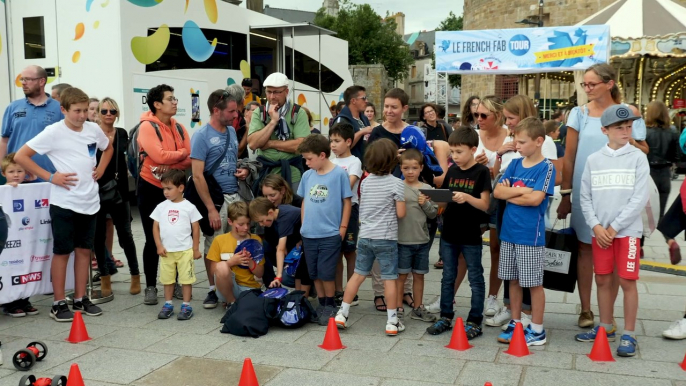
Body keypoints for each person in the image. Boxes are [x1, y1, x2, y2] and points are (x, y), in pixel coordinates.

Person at [557, 63, 648, 328]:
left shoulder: (629, 112)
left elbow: (644, 148)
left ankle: (607, 314)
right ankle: (586, 309)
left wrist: (624, 136)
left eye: (592, 84)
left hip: (619, 195)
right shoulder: (579, 113)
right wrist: (566, 195)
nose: (586, 89)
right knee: (585, 249)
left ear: (609, 84)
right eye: (584, 84)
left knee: (616, 252)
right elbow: (570, 157)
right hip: (588, 195)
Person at [15, 87, 113, 322]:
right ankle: (58, 303)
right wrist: (50, 177)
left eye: (84, 111)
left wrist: (100, 169)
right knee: (61, 252)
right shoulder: (53, 132)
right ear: (63, 110)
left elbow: (107, 148)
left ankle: (80, 298)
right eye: (76, 111)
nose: (82, 116)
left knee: (83, 252)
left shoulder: (93, 129)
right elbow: (21, 156)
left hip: (90, 201)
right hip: (64, 202)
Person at [573, 105, 647, 358]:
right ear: (605, 130)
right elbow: (585, 197)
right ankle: (605, 326)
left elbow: (640, 197)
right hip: (601, 233)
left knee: (627, 280)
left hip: (627, 232)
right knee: (602, 279)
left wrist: (614, 227)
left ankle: (629, 333)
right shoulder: (594, 160)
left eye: (629, 126)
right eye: (619, 127)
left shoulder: (638, 157)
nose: (626, 130)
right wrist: (595, 225)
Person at [0, 65, 63, 317]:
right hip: (17, 183)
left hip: (48, 182)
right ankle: (13, 297)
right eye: (21, 79)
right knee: (15, 242)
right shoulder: (13, 108)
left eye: (27, 79)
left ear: (42, 81)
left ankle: (34, 291)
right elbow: (4, 140)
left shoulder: (58, 108)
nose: (23, 83)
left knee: (41, 236)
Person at [493, 117, 555, 346]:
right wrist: (523, 193)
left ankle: (537, 329)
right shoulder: (515, 164)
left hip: (530, 235)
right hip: (508, 232)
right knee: (513, 280)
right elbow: (498, 192)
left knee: (533, 283)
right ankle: (516, 322)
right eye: (515, 141)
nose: (516, 146)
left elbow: (536, 199)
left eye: (521, 141)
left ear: (539, 141)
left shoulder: (546, 167)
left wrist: (514, 195)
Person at [335, 138, 406, 335]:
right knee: (389, 278)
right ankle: (392, 321)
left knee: (358, 275)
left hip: (365, 236)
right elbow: (400, 213)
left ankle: (342, 313)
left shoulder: (365, 183)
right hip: (386, 238)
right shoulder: (397, 184)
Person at [426, 128, 489, 338]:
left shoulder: (481, 172)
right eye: (452, 152)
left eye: (459, 152)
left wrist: (467, 197)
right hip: (449, 232)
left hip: (471, 234)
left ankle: (475, 320)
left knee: (476, 278)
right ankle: (445, 316)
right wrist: (431, 198)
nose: (454, 156)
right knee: (447, 277)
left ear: (473, 149)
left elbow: (484, 204)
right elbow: (445, 199)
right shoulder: (452, 171)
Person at [190, 88, 248, 309]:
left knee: (236, 242)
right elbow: (197, 175)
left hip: (236, 196)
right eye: (232, 111)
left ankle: (231, 287)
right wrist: (210, 209)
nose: (236, 116)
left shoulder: (232, 132)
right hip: (215, 200)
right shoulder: (201, 136)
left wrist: (243, 171)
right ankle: (213, 290)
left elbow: (233, 160)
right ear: (216, 110)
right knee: (213, 245)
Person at [137, 84, 192, 305]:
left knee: (176, 236)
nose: (175, 101)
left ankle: (175, 283)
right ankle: (151, 286)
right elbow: (158, 156)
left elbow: (190, 157)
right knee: (153, 238)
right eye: (170, 98)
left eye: (175, 97)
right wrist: (179, 156)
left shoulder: (178, 126)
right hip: (151, 187)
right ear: (157, 104)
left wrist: (173, 158)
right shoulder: (147, 126)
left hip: (176, 188)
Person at [297, 134, 352, 325]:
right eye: (305, 159)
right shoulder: (307, 175)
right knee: (313, 272)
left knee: (326, 272)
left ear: (322, 155)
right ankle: (321, 303)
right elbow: (304, 201)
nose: (306, 163)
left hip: (330, 233)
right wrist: (304, 225)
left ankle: (330, 303)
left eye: (309, 159)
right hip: (309, 233)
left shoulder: (339, 174)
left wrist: (342, 228)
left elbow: (347, 202)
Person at [93, 98, 140, 296]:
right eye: (104, 111)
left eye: (112, 111)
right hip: (97, 190)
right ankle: (105, 278)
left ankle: (135, 275)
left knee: (126, 236)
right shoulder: (92, 134)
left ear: (117, 113)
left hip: (120, 191)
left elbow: (130, 158)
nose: (108, 114)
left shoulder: (121, 133)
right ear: (98, 114)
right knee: (98, 236)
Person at [474, 95, 509, 318]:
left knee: (496, 249)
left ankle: (493, 297)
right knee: (466, 247)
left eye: (484, 115)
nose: (479, 119)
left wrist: (493, 168)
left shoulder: (510, 135)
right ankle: (452, 293)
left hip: (499, 198)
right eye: (476, 114)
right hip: (476, 197)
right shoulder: (475, 135)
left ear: (497, 116)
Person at [151, 170, 202, 320]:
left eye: (169, 188)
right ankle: (168, 304)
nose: (165, 192)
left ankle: (186, 305)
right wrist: (159, 245)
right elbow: (155, 227)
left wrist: (196, 248)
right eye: (164, 189)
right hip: (167, 251)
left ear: (180, 188)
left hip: (185, 250)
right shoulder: (161, 207)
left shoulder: (189, 206)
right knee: (167, 279)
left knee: (186, 279)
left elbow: (196, 227)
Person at [247, 72, 310, 190]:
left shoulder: (298, 112)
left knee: (293, 207)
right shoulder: (259, 112)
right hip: (266, 174)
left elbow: (301, 145)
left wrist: (270, 143)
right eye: (268, 92)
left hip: (292, 174)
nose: (271, 97)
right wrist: (273, 122)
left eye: (276, 92)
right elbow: (253, 144)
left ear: (286, 91)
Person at [396, 149, 438, 323]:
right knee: (401, 276)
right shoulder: (397, 186)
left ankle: (418, 307)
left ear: (421, 168)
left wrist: (426, 203)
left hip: (421, 240)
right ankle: (397, 308)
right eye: (406, 168)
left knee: (419, 275)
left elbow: (433, 214)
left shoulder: (427, 188)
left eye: (414, 168)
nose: (410, 171)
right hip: (402, 240)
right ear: (401, 168)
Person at [329, 123, 363, 306]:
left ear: (348, 142)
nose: (333, 145)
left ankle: (352, 290)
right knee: (336, 252)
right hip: (331, 211)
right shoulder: (330, 162)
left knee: (349, 251)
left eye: (337, 141)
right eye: (331, 141)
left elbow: (348, 186)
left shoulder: (354, 162)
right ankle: (338, 290)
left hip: (350, 210)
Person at [206, 201, 264, 307]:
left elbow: (260, 273)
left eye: (248, 223)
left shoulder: (255, 240)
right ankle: (231, 302)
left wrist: (250, 262)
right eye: (241, 224)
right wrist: (230, 262)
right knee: (222, 266)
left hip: (249, 287)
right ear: (230, 221)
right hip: (227, 289)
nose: (246, 227)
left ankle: (239, 303)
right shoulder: (219, 240)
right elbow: (213, 270)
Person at [250, 197, 309, 294]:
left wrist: (278, 276)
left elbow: (280, 250)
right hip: (302, 239)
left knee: (299, 270)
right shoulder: (279, 211)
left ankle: (305, 294)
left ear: (270, 213)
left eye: (261, 221)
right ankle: (299, 296)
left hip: (311, 240)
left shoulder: (284, 219)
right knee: (298, 270)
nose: (260, 225)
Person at [645, 100, 679, 220]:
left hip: (648, 173)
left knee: (644, 216)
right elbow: (677, 156)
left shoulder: (644, 132)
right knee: (660, 215)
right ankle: (668, 236)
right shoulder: (673, 132)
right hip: (665, 174)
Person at [333, 86, 372, 161]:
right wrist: (361, 132)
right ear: (353, 101)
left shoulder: (364, 118)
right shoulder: (341, 120)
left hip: (365, 165)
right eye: (363, 98)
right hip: (349, 167)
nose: (366, 101)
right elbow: (340, 147)